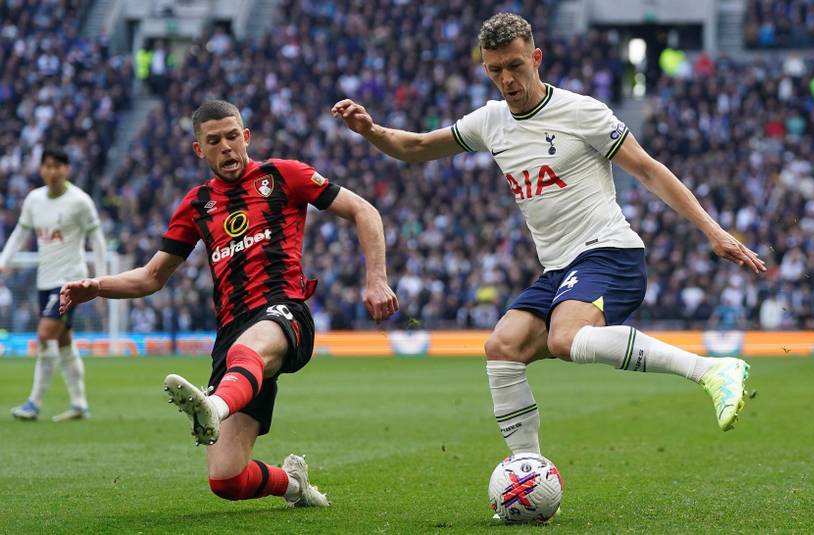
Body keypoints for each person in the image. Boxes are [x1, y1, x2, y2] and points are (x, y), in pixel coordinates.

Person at [332, 13, 766, 460]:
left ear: (536, 58)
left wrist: (714, 231)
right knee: (502, 347)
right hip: (559, 270)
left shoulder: (582, 112)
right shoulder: (490, 121)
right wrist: (371, 131)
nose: (507, 79)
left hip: (609, 253)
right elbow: (416, 147)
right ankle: (527, 471)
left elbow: (649, 171)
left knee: (565, 337)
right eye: (495, 70)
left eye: (515, 66)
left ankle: (711, 369)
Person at [61, 100, 399, 507]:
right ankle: (294, 485)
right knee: (227, 480)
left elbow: (364, 210)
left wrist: (376, 278)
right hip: (232, 331)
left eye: (232, 136)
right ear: (199, 150)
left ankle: (214, 407)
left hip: (283, 311)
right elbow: (152, 276)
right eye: (214, 141)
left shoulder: (283, 175)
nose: (226, 147)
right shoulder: (197, 204)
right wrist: (97, 286)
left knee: (246, 351)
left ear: (246, 137)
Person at [0, 147, 107, 422]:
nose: (52, 171)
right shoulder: (34, 199)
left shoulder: (80, 201)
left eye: (58, 166)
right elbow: (20, 233)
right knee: (63, 342)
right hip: (44, 280)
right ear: (41, 169)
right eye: (48, 166)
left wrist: (101, 279)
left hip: (70, 281)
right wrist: (4, 261)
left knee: (45, 334)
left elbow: (97, 241)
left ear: (66, 169)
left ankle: (34, 403)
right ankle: (79, 404)